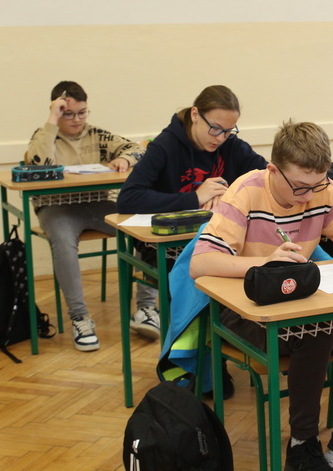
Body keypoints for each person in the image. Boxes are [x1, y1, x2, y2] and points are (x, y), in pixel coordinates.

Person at [190, 120, 333, 471]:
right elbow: (200, 263)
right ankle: (303, 446)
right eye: (300, 187)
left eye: (317, 185)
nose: (308, 196)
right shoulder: (247, 191)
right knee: (317, 328)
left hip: (303, 308)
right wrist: (265, 264)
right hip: (244, 312)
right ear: (273, 170)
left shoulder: (322, 189)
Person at [117, 85, 267, 339]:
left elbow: (267, 180)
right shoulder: (165, 146)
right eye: (215, 128)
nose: (220, 138)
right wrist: (195, 198)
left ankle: (224, 346)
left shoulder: (232, 146)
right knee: (195, 287)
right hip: (167, 246)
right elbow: (128, 198)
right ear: (196, 114)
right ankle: (192, 352)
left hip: (219, 241)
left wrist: (229, 195)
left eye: (228, 131)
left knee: (240, 284)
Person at [26, 81, 145, 351]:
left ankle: (147, 307)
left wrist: (125, 160)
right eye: (68, 114)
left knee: (142, 228)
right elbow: (37, 163)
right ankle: (80, 318)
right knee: (63, 241)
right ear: (56, 111)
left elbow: (138, 149)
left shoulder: (97, 135)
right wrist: (52, 120)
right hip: (56, 207)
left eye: (82, 113)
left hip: (98, 204)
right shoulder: (44, 136)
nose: (77, 120)